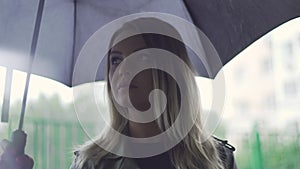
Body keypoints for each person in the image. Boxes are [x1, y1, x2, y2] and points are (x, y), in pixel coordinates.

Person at [0, 17, 237, 169]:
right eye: (116, 60)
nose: (124, 69)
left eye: (141, 57)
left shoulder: (217, 159)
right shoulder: (92, 162)